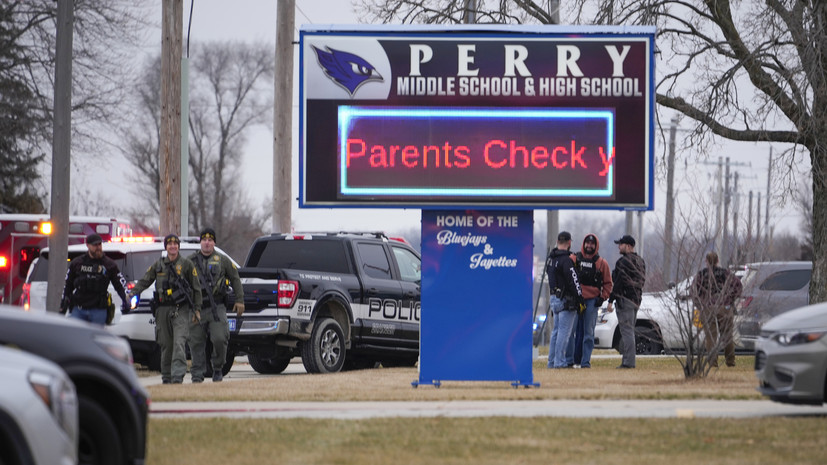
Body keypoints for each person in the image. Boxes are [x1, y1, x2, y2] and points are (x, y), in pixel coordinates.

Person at [129, 234, 202, 384]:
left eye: (175, 244)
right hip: (162, 309)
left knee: (179, 342)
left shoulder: (187, 264)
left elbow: (196, 288)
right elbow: (145, 280)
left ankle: (177, 376)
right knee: (166, 345)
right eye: (170, 244)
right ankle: (167, 377)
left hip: (180, 309)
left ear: (178, 246)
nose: (173, 246)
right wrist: (132, 293)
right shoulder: (158, 265)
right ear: (166, 247)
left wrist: (197, 309)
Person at [188, 228, 245, 383]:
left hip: (217, 307)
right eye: (204, 240)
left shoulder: (222, 260)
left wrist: (240, 300)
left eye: (210, 240)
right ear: (200, 242)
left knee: (220, 338)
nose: (207, 243)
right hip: (197, 308)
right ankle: (197, 374)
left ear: (214, 243)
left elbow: (235, 279)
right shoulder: (190, 261)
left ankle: (218, 368)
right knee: (196, 342)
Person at [565, 233, 613, 368]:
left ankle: (585, 362)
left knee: (589, 334)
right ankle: (569, 361)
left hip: (592, 301)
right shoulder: (574, 259)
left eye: (592, 244)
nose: (589, 246)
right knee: (570, 332)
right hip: (575, 300)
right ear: (583, 244)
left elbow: (608, 283)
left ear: (596, 245)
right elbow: (565, 276)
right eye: (587, 243)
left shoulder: (602, 263)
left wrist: (602, 298)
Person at [60, 233, 130, 325]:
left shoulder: (109, 264)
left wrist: (126, 300)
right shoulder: (77, 263)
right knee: (75, 337)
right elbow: (68, 285)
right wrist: (63, 303)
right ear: (87, 245)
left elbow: (120, 285)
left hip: (98, 311)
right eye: (95, 245)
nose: (98, 247)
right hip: (79, 309)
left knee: (95, 338)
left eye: (99, 244)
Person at [691, 251, 742, 367]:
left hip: (707, 308)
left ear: (706, 261)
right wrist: (730, 299)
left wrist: (700, 305)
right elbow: (738, 285)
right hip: (725, 307)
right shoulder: (726, 273)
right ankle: (730, 361)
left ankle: (713, 363)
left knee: (711, 337)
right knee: (727, 336)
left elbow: (693, 291)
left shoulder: (701, 275)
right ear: (718, 261)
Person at [545, 231, 585, 369]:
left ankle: (551, 362)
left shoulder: (551, 259)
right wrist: (580, 299)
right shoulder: (567, 260)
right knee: (564, 332)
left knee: (556, 332)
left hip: (553, 298)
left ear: (557, 242)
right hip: (566, 300)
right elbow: (573, 280)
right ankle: (559, 362)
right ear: (569, 243)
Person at [606, 235, 646, 369]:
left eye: (621, 244)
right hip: (636, 300)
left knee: (627, 332)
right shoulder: (640, 261)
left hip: (625, 300)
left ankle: (628, 363)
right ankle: (628, 360)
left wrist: (611, 300)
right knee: (630, 331)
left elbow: (618, 283)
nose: (619, 247)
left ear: (628, 246)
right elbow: (642, 282)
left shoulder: (623, 262)